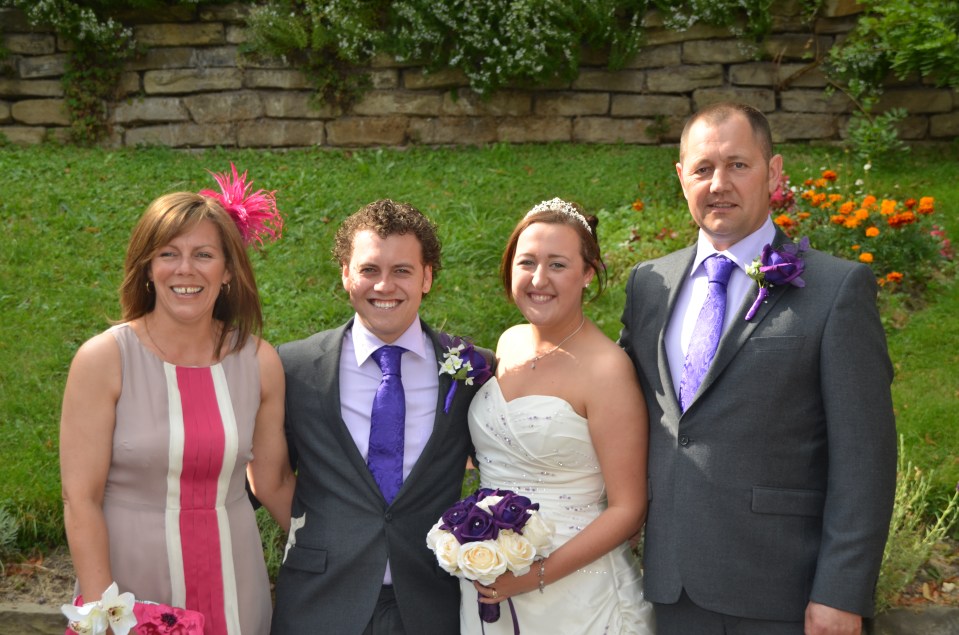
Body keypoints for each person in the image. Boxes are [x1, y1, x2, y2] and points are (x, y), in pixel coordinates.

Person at [619, 102, 898, 635]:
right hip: (672, 585)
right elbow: (617, 398)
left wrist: (841, 592)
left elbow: (865, 455)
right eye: (703, 169)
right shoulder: (648, 284)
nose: (718, 183)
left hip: (781, 592)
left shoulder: (836, 290)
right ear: (682, 178)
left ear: (773, 172)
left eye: (737, 165)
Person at [60, 165, 294, 634]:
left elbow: (273, 484)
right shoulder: (104, 359)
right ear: (148, 268)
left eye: (204, 254)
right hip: (130, 588)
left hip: (235, 584)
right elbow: (79, 498)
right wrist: (106, 614)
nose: (185, 269)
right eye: (168, 253)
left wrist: (351, 557)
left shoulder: (258, 361)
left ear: (228, 272)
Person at [271, 199, 491, 635]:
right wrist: (327, 533)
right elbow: (272, 476)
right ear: (346, 275)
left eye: (402, 271)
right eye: (369, 269)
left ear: (427, 277)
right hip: (321, 598)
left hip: (432, 599)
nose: (384, 285)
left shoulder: (474, 370)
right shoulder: (294, 367)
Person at [462, 198, 656, 634]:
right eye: (526, 262)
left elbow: (628, 508)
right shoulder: (508, 342)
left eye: (558, 265)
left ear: (588, 273)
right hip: (489, 574)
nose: (538, 279)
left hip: (576, 592)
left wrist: (533, 576)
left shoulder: (607, 370)